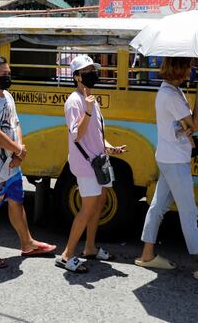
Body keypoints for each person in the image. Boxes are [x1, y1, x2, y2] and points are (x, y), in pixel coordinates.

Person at [135, 57, 198, 283]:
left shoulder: (170, 91)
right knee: (189, 214)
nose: (191, 70)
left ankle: (147, 254)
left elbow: (183, 126)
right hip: (174, 161)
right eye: (189, 66)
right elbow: (195, 125)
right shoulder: (171, 95)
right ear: (180, 68)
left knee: (158, 206)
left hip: (169, 156)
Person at [0, 56, 57, 269]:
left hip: (12, 165)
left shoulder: (7, 96)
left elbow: (15, 123)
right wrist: (17, 150)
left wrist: (19, 152)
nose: (8, 77)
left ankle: (27, 243)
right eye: (4, 75)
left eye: (9, 73)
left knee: (16, 201)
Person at [58, 55, 126, 273]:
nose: (92, 74)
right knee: (87, 209)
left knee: (100, 202)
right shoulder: (75, 102)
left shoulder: (89, 98)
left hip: (99, 162)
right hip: (86, 165)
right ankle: (66, 255)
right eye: (86, 71)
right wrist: (87, 110)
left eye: (93, 70)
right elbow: (76, 135)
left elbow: (94, 133)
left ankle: (89, 248)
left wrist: (109, 147)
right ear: (77, 76)